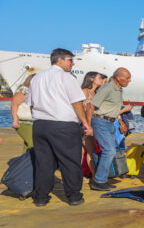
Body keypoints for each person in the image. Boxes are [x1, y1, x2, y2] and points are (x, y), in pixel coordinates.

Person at [26, 48, 93, 206]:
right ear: (60, 60)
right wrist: (85, 123)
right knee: (70, 161)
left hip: (40, 125)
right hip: (63, 125)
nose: (73, 63)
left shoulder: (37, 78)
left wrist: (38, 119)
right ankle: (74, 196)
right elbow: (76, 102)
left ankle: (41, 197)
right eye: (70, 60)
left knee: (43, 162)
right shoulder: (66, 77)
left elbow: (31, 104)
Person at [88, 68, 132, 190]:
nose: (129, 80)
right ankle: (99, 181)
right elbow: (91, 106)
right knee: (109, 151)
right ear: (118, 78)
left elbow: (112, 108)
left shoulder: (119, 89)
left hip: (110, 123)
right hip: (101, 121)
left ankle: (102, 178)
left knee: (109, 151)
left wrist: (119, 120)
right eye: (127, 78)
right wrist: (88, 125)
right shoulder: (107, 88)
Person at [80, 71, 107, 175]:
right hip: (85, 124)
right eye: (99, 78)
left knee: (85, 150)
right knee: (90, 150)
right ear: (92, 79)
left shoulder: (95, 93)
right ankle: (94, 176)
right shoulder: (84, 91)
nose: (101, 80)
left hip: (92, 123)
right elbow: (77, 107)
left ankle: (83, 175)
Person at [10, 73, 36, 151]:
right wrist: (15, 120)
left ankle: (25, 158)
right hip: (24, 122)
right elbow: (14, 104)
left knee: (28, 145)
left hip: (30, 123)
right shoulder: (24, 91)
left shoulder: (32, 91)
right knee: (32, 144)